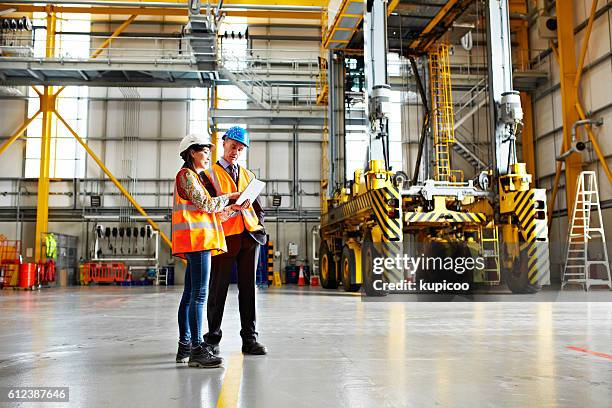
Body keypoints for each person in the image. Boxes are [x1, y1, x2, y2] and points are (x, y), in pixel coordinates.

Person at [172, 133, 247, 368]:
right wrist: (230, 196)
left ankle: (185, 346)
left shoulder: (194, 177)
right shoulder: (187, 176)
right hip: (198, 241)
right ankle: (196, 348)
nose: (208, 156)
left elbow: (210, 212)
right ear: (192, 152)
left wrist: (234, 208)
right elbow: (206, 204)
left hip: (198, 240)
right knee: (198, 296)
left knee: (189, 296)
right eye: (204, 152)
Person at [202, 126, 268, 355]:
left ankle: (249, 339)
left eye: (240, 149)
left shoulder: (249, 175)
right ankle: (212, 339)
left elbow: (259, 207)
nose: (235, 152)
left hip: (249, 237)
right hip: (224, 237)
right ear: (224, 143)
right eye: (233, 147)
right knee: (218, 288)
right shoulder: (208, 175)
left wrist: (259, 225)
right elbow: (206, 208)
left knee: (249, 290)